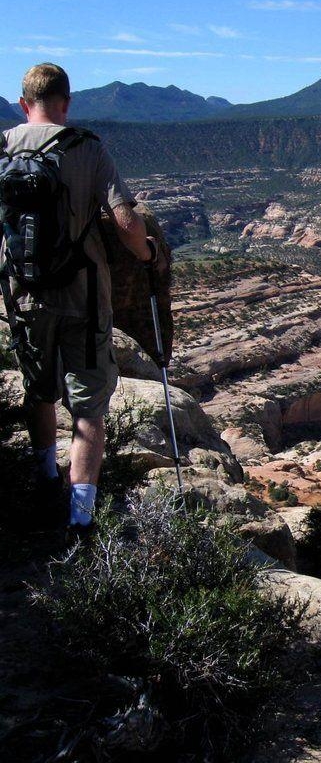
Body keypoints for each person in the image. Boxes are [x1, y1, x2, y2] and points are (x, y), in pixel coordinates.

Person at [1, 63, 160, 533]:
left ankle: (46, 476)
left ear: (23, 103)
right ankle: (82, 515)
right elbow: (127, 222)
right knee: (88, 406)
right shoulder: (86, 148)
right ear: (66, 102)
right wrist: (148, 255)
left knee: (39, 388)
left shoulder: (4, 146)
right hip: (82, 296)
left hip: (23, 293)